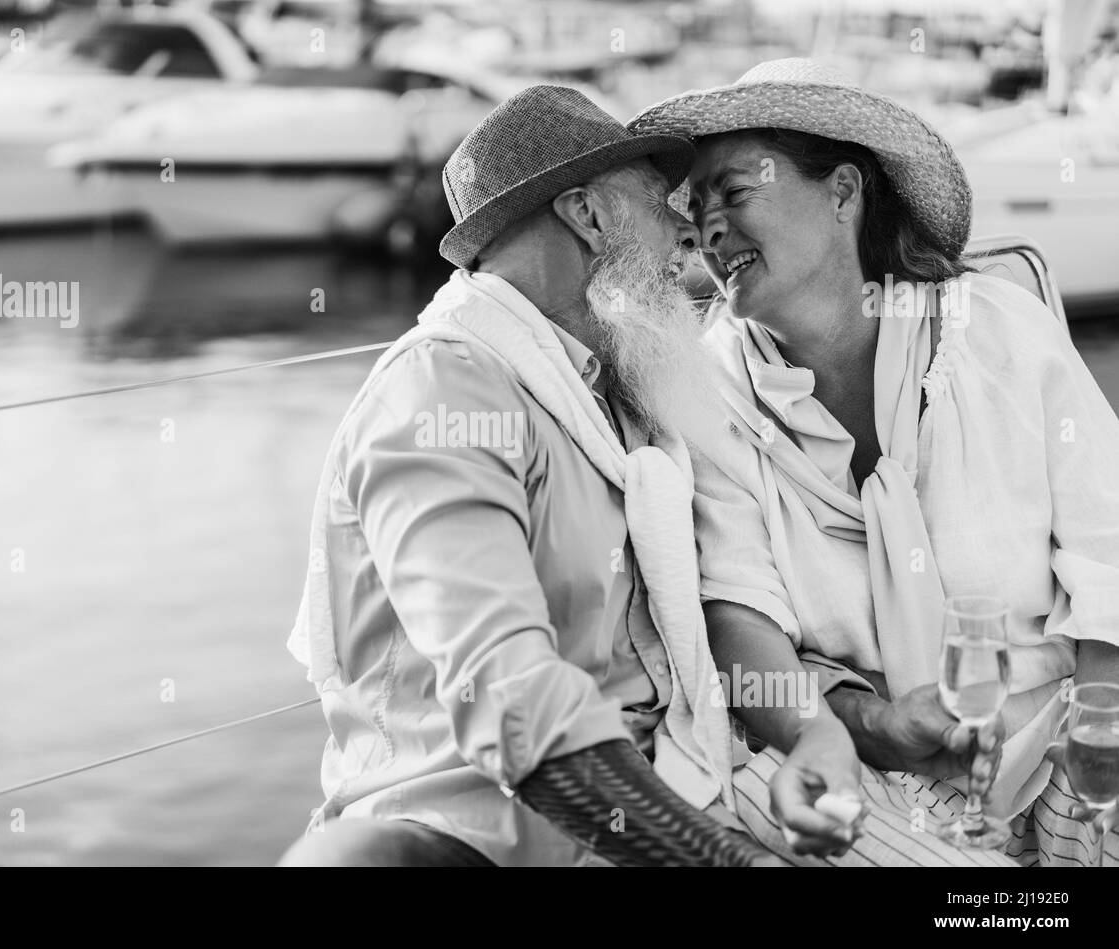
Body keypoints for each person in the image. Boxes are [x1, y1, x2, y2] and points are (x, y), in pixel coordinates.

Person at [275, 84, 800, 867]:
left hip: (669, 797)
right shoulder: (446, 393)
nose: (687, 232)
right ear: (587, 215)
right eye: (662, 205)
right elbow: (511, 693)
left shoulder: (611, 396)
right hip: (471, 839)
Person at [629, 58, 1119, 866]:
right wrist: (867, 729)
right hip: (868, 759)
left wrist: (1098, 730)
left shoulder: (996, 330)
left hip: (1067, 724)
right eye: (696, 209)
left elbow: (1109, 554)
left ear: (843, 191)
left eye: (734, 193)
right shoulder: (704, 389)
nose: (707, 230)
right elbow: (738, 612)